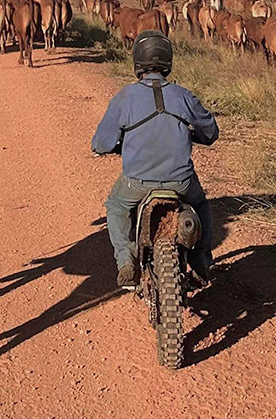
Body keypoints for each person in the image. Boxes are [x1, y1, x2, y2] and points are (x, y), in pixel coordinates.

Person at [91, 30, 217, 289]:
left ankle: (126, 260)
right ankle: (201, 258)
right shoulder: (184, 95)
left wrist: (107, 148)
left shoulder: (125, 97)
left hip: (137, 182)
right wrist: (197, 136)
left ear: (137, 61)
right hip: (180, 181)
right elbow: (210, 132)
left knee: (116, 206)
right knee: (201, 204)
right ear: (168, 61)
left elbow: (102, 142)